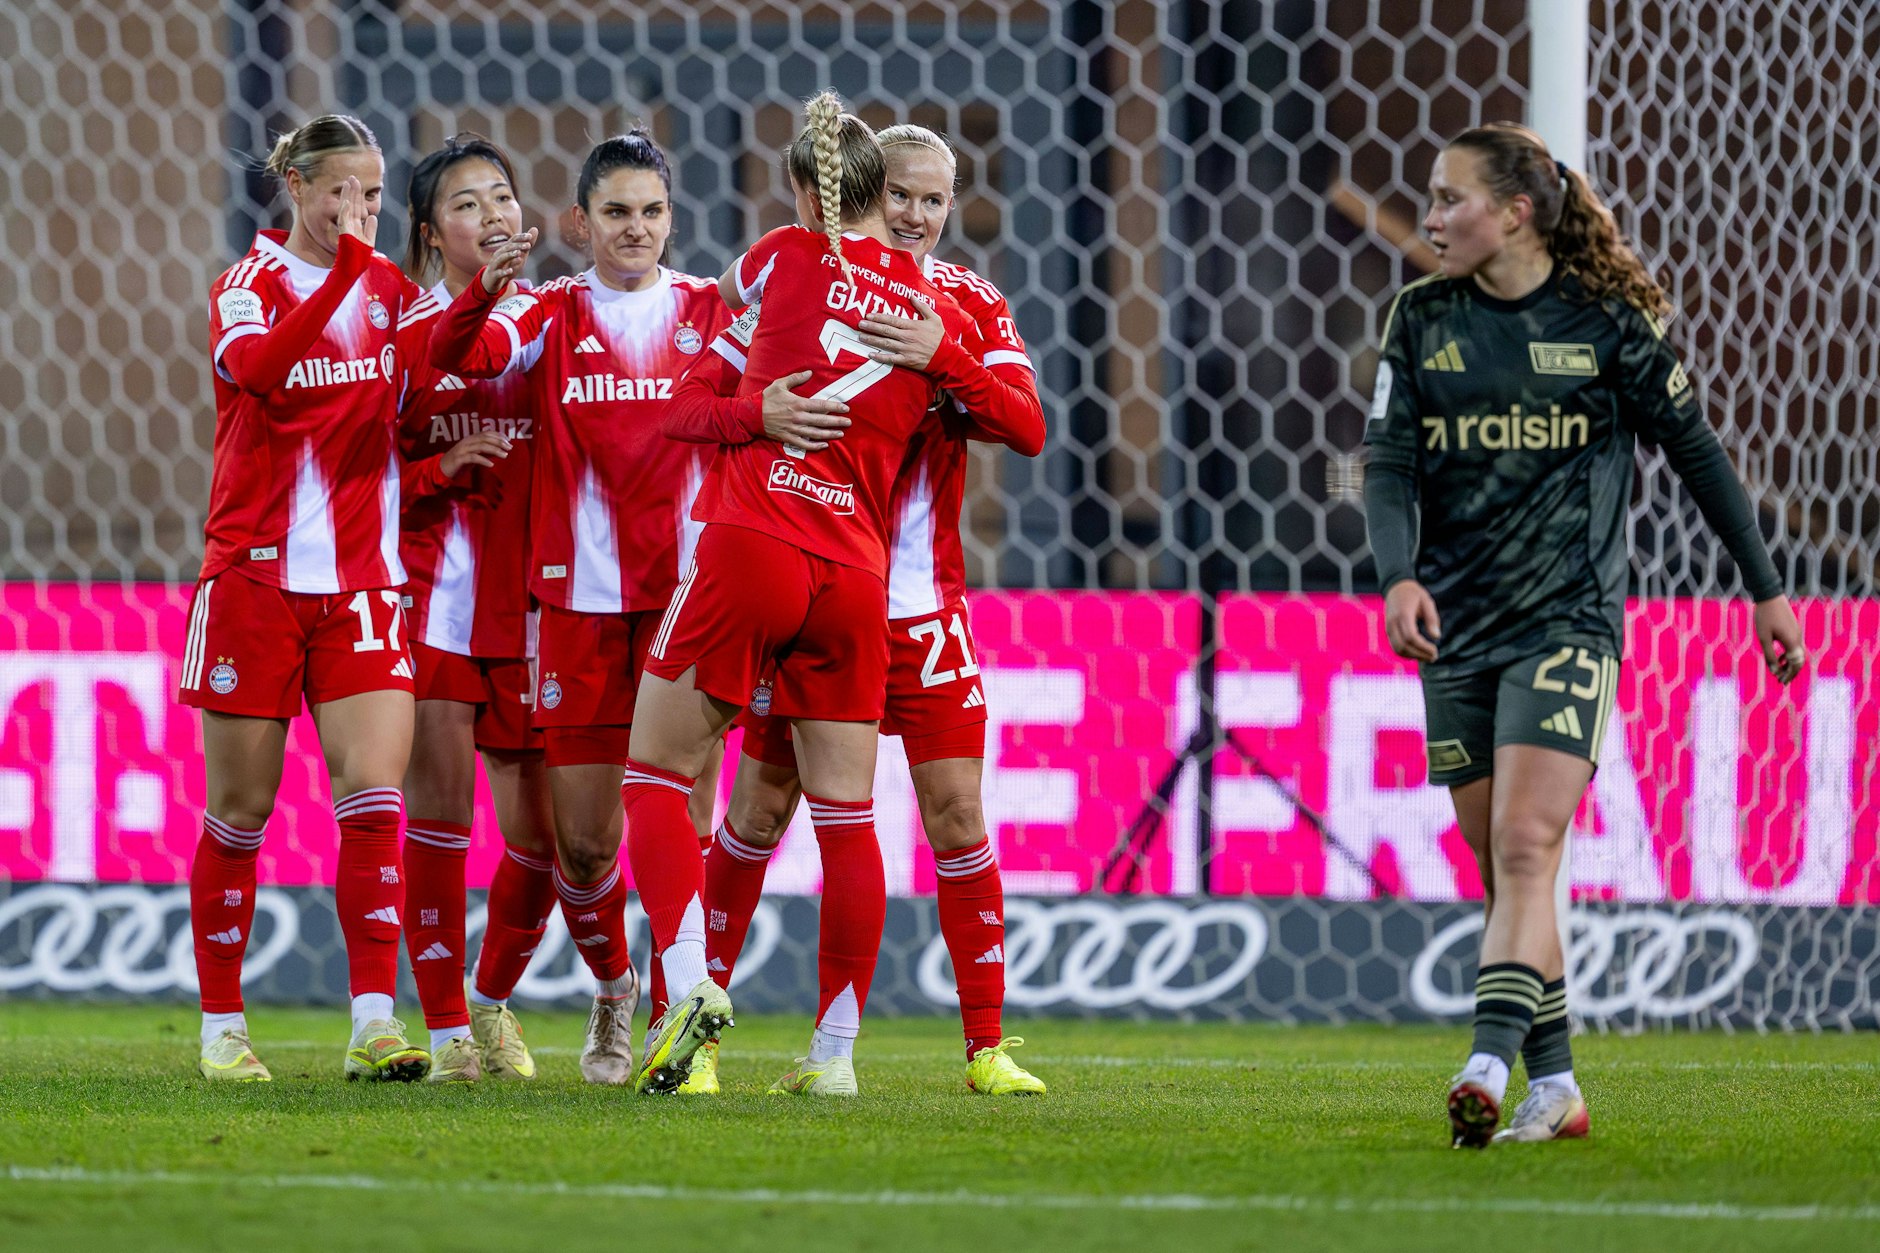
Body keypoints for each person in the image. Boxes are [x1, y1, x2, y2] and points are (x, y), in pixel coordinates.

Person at [1362, 122, 1805, 1146]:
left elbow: (1698, 456)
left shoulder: (1605, 324)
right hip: (1455, 627)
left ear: (1512, 210)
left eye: (1448, 197)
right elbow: (1386, 463)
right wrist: (1396, 577)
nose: (1429, 215)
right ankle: (1554, 1085)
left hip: (1566, 620)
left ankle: (1483, 1058)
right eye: (1428, 197)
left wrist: (1765, 590)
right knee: (1499, 861)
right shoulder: (1419, 317)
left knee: (1525, 843)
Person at [618, 90, 993, 1097]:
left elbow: (685, 404)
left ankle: (691, 981)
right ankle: (832, 1059)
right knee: (846, 817)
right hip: (855, 578)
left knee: (654, 775)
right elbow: (1013, 415)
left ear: (803, 191)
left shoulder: (784, 255)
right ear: (888, 196)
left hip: (754, 542)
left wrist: (755, 412)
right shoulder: (936, 316)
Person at [694, 124, 1049, 1097]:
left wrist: (943, 357)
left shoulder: (966, 302)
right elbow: (714, 380)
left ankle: (984, 1047)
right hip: (810, 583)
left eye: (936, 199)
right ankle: (703, 1033)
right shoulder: (801, 273)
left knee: (955, 812)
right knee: (760, 810)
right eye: (900, 193)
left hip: (918, 610)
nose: (917, 214)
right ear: (859, 191)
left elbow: (1024, 426)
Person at [428, 130, 732, 1084]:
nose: (634, 229)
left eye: (650, 212)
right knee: (588, 841)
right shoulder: (549, 312)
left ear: (671, 220)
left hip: (688, 603)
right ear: (581, 222)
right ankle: (615, 990)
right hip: (579, 606)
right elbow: (462, 357)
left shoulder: (712, 313)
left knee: (685, 825)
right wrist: (485, 287)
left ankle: (680, 1015)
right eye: (615, 213)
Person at [182, 115, 431, 1082]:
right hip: (254, 576)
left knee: (374, 801)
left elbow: (440, 362)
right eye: (343, 193)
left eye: (374, 195)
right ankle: (222, 1028)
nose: (361, 212)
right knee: (239, 814)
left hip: (362, 585)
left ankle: (374, 1022)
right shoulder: (247, 288)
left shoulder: (386, 290)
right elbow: (260, 374)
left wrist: (481, 296)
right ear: (297, 186)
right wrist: (340, 275)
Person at [394, 133, 553, 1083]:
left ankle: (493, 996)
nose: (490, 214)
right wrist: (435, 469)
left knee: (543, 836)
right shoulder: (396, 326)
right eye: (466, 203)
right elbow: (361, 465)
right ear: (429, 230)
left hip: (529, 601)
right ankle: (449, 1026)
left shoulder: (542, 314)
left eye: (501, 194)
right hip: (426, 600)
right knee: (439, 815)